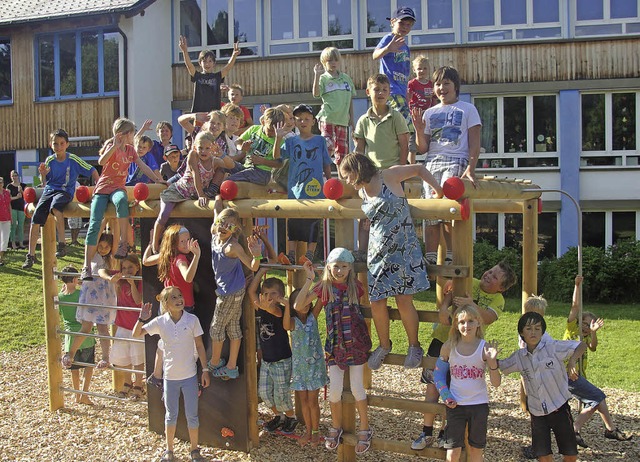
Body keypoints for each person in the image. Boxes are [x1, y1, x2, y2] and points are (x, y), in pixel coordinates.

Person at [339, 153, 442, 371]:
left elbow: (420, 169)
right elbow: (366, 222)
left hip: (403, 249)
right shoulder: (361, 191)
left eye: (348, 176)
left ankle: (414, 346)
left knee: (404, 300)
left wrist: (438, 190)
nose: (347, 181)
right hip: (378, 252)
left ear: (358, 169)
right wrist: (362, 248)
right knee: (377, 302)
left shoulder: (388, 175)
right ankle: (384, 345)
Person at [412, 261, 517, 450]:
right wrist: (444, 308)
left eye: (495, 277)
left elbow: (489, 318)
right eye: (490, 271)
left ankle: (445, 432)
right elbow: (450, 293)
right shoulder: (472, 282)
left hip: (464, 346)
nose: (488, 275)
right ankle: (426, 431)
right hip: (442, 339)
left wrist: (471, 305)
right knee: (432, 385)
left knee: (452, 388)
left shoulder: (498, 301)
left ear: (501, 288)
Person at [520, 278, 631, 456]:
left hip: (567, 375)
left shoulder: (579, 337)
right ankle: (576, 431)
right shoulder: (571, 329)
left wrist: (592, 333)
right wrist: (577, 286)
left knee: (591, 401)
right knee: (595, 398)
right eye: (585, 323)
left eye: (590, 325)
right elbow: (574, 306)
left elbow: (592, 347)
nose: (587, 327)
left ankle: (601, 429)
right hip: (565, 375)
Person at [295, 249, 373, 454]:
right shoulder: (324, 288)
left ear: (350, 268)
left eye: (344, 266)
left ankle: (365, 427)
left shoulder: (355, 287)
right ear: (328, 267)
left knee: (357, 388)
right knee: (335, 390)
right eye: (335, 266)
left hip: (355, 344)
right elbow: (298, 304)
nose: (339, 270)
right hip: (335, 346)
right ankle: (336, 426)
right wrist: (310, 279)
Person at [412, 66, 481, 265]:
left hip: (456, 158)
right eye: (438, 84)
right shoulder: (429, 112)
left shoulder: (468, 109)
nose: (441, 88)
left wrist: (471, 167)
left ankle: (451, 253)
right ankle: (431, 256)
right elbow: (423, 148)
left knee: (448, 204)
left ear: (456, 86)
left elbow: (475, 142)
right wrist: (418, 130)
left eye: (446, 83)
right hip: (432, 161)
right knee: (431, 207)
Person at [81, 118, 164, 281]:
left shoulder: (131, 150)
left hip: (118, 188)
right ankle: (86, 266)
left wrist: (156, 179)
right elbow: (101, 161)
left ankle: (123, 243)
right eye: (132, 133)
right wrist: (114, 146)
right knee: (94, 222)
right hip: (103, 188)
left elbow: (142, 166)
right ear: (123, 135)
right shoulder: (112, 145)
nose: (134, 136)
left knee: (121, 201)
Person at [134, 287, 210, 462]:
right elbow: (137, 333)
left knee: (192, 415)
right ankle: (169, 451)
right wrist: (141, 319)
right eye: (174, 297)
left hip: (190, 377)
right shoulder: (160, 322)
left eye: (180, 295)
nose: (179, 299)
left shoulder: (192, 320)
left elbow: (199, 346)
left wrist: (205, 370)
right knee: (171, 414)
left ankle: (194, 450)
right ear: (165, 303)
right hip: (170, 378)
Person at [498, 312, 587, 462]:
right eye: (528, 329)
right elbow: (502, 367)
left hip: (559, 407)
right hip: (537, 412)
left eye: (537, 328)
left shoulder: (553, 348)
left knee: (570, 454)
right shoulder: (519, 357)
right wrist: (488, 357)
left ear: (542, 332)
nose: (533, 332)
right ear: (521, 332)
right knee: (543, 455)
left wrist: (572, 361)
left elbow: (581, 345)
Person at [433, 305, 501, 462]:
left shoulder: (485, 348)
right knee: (452, 452)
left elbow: (496, 383)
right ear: (456, 325)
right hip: (455, 405)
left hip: (479, 405)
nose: (466, 326)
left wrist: (492, 363)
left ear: (478, 323)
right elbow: (438, 374)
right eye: (462, 322)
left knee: (476, 450)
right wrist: (445, 395)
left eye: (471, 321)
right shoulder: (449, 346)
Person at [23, 129, 99, 269]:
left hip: (65, 191)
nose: (58, 147)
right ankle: (30, 255)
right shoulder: (49, 160)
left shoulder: (73, 159)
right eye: (55, 144)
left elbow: (92, 169)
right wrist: (43, 174)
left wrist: (98, 186)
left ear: (67, 144)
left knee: (56, 208)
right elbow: (45, 182)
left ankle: (62, 244)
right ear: (50, 145)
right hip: (50, 190)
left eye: (61, 143)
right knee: (35, 218)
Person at [353, 74, 410, 260]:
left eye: (385, 90)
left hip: (392, 172)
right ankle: (362, 250)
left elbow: (404, 144)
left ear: (389, 93)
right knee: (366, 213)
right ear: (368, 92)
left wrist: (401, 170)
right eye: (377, 89)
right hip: (371, 174)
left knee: (393, 212)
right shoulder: (363, 120)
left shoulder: (396, 116)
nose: (381, 93)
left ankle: (393, 252)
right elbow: (360, 149)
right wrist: (358, 174)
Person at [272, 104, 332, 265]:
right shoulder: (291, 141)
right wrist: (278, 138)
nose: (303, 122)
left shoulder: (319, 141)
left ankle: (310, 255)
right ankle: (291, 254)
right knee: (293, 221)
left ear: (313, 121)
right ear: (295, 122)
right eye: (299, 119)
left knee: (313, 221)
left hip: (315, 188)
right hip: (295, 189)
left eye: (307, 119)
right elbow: (277, 156)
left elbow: (326, 163)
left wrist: (330, 183)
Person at [143, 224, 201, 390]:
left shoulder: (165, 256)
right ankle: (184, 378)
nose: (186, 243)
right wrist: (196, 256)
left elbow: (146, 261)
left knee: (164, 343)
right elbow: (188, 277)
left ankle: (157, 374)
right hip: (182, 309)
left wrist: (150, 244)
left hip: (166, 308)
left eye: (188, 240)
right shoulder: (181, 259)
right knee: (186, 346)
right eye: (182, 241)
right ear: (173, 243)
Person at [152, 131, 231, 253]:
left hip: (195, 194)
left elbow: (229, 167)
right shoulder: (193, 155)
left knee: (222, 170)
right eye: (200, 148)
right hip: (180, 190)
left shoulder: (215, 161)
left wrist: (220, 154)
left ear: (213, 148)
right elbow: (196, 174)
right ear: (195, 147)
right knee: (164, 214)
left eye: (207, 148)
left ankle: (212, 192)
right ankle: (154, 243)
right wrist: (201, 195)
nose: (203, 151)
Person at [208, 200, 261, 379]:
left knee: (216, 328)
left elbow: (252, 266)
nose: (223, 228)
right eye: (221, 224)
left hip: (229, 293)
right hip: (232, 289)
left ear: (234, 230)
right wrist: (218, 197)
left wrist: (257, 255)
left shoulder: (233, 246)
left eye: (228, 226)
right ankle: (231, 366)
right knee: (232, 327)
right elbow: (216, 210)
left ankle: (215, 362)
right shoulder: (215, 232)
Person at [248, 268, 298, 434]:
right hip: (267, 361)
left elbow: (272, 310)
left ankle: (291, 417)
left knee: (281, 394)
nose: (269, 297)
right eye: (266, 293)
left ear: (281, 295)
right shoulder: (261, 307)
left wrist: (262, 304)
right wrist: (261, 272)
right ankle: (279, 416)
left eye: (274, 293)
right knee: (264, 392)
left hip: (281, 360)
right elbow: (251, 291)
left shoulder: (280, 310)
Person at [64, 232, 117, 370]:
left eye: (107, 246)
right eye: (101, 245)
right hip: (91, 296)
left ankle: (106, 358)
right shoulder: (92, 256)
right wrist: (102, 219)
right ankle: (71, 353)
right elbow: (93, 236)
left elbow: (116, 237)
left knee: (102, 328)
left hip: (104, 297)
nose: (103, 248)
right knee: (86, 327)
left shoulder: (111, 258)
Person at [282, 287, 327, 447]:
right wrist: (287, 305)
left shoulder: (313, 317)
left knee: (313, 401)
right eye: (302, 301)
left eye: (308, 300)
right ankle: (308, 430)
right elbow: (286, 325)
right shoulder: (293, 323)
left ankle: (315, 431)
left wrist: (323, 277)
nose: (306, 304)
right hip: (300, 369)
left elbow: (322, 294)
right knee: (303, 401)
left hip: (314, 368)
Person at [103, 254, 145, 400]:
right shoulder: (120, 279)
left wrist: (132, 283)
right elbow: (102, 271)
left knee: (138, 357)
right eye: (124, 268)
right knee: (123, 357)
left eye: (130, 268)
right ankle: (127, 382)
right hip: (122, 325)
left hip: (136, 327)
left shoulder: (140, 281)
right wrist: (111, 279)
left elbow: (138, 300)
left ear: (137, 267)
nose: (127, 270)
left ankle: (139, 384)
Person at [372, 6, 416, 134]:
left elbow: (405, 72)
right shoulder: (388, 39)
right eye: (401, 23)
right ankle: (410, 148)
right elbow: (375, 55)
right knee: (408, 128)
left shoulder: (406, 48)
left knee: (396, 127)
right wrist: (388, 49)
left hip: (401, 92)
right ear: (392, 22)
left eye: (408, 25)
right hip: (391, 90)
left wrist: (407, 94)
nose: (404, 27)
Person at [312, 47, 356, 171]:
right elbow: (315, 94)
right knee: (328, 147)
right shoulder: (323, 78)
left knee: (342, 152)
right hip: (328, 118)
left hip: (342, 120)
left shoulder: (346, 79)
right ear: (324, 62)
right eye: (329, 61)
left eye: (335, 60)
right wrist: (317, 75)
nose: (333, 63)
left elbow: (350, 101)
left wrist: (352, 120)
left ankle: (342, 179)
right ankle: (316, 170)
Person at [57, 265, 95, 405]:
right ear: (74, 279)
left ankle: (76, 395)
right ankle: (84, 394)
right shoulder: (81, 294)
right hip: (85, 335)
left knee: (74, 368)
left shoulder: (59, 297)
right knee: (89, 366)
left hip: (70, 336)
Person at [179, 35, 240, 113]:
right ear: (200, 63)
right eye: (204, 61)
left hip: (214, 113)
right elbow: (189, 66)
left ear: (214, 63)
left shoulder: (217, 77)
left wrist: (234, 55)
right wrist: (184, 51)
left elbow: (227, 67)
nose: (207, 64)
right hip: (199, 113)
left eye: (210, 61)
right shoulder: (197, 76)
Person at [228, 107, 285, 186]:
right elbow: (238, 141)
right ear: (263, 122)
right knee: (223, 165)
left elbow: (279, 163)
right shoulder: (254, 129)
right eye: (270, 130)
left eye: (275, 131)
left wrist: (263, 161)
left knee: (230, 180)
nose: (272, 134)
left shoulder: (281, 140)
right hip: (246, 166)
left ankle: (219, 193)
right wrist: (241, 147)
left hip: (262, 173)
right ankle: (211, 191)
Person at [407, 55, 438, 164]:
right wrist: (407, 112)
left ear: (429, 70)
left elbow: (433, 100)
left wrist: (434, 111)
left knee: (428, 138)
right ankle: (412, 165)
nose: (422, 71)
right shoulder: (412, 84)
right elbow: (408, 98)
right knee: (412, 143)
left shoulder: (431, 84)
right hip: (415, 115)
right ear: (414, 70)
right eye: (419, 68)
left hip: (427, 115)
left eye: (425, 68)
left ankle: (429, 161)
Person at [7, 170, 26, 249]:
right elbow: (7, 198)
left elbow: (27, 196)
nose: (14, 177)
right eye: (13, 176)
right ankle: (13, 243)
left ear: (18, 176)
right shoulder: (9, 186)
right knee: (13, 225)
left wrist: (21, 191)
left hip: (21, 208)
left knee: (21, 226)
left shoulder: (23, 185)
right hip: (13, 208)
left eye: (15, 175)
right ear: (11, 177)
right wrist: (16, 197)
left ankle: (21, 243)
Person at [0, 177, 10, 266]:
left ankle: (1, 257)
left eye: (1, 182)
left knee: (5, 238)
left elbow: (9, 204)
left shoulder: (7, 193)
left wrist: (11, 217)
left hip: (6, 218)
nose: (0, 183)